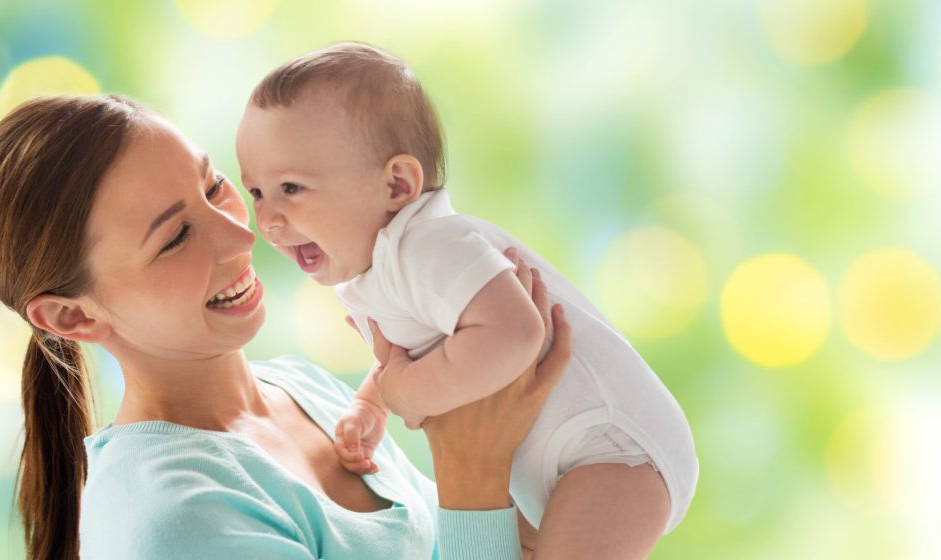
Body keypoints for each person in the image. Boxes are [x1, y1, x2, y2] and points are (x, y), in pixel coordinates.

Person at [0, 93, 572, 560]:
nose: (242, 232)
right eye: (175, 238)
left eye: (214, 186)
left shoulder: (305, 392)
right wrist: (472, 469)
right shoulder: (175, 522)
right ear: (72, 315)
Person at [234, 42, 699, 557]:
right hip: (565, 462)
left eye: (292, 188)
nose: (268, 219)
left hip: (613, 451)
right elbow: (420, 351)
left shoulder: (431, 247)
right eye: (256, 192)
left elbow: (516, 333)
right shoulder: (378, 268)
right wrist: (374, 403)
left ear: (396, 184)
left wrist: (409, 394)